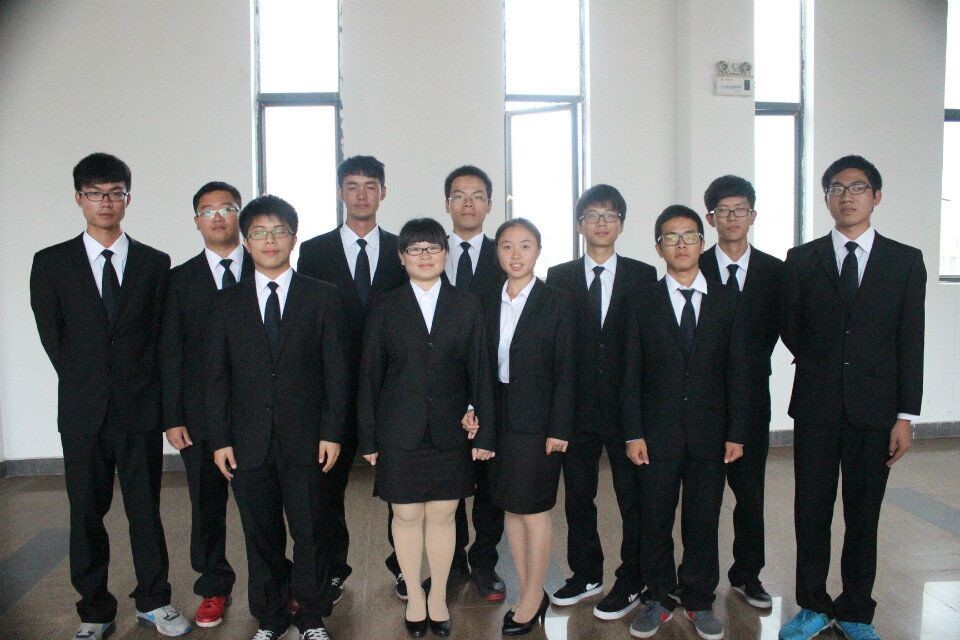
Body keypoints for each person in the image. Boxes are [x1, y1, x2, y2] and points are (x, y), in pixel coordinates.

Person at [30, 152, 190, 639]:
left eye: (115, 193)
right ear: (79, 199)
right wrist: (89, 385)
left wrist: (161, 405)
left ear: (128, 199)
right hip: (83, 412)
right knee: (85, 513)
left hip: (139, 410)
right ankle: (95, 611)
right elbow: (54, 338)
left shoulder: (153, 263)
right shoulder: (51, 263)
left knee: (146, 511)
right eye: (96, 194)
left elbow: (161, 341)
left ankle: (154, 601)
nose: (106, 202)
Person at [778, 156, 925, 640]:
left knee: (864, 515)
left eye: (858, 188)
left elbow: (911, 341)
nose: (847, 196)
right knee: (811, 511)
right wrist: (824, 363)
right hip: (816, 408)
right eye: (837, 188)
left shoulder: (905, 261)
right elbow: (792, 327)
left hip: (876, 412)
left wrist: (904, 416)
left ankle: (857, 611)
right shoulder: (802, 259)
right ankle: (812, 606)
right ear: (826, 198)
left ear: (876, 196)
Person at [208, 195, 348, 640]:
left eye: (279, 231)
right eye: (259, 233)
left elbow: (336, 372)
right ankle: (270, 615)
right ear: (246, 241)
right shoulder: (225, 303)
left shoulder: (322, 296)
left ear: (294, 237)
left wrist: (332, 431)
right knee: (260, 534)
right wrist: (220, 438)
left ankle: (311, 615)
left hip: (308, 440)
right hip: (247, 441)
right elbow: (216, 377)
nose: (270, 241)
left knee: (311, 531)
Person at [358, 217, 497, 638]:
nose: (424, 255)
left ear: (445, 254)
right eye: (414, 249)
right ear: (401, 258)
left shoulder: (466, 304)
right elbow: (369, 375)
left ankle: (437, 596)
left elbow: (480, 371)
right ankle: (414, 599)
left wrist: (483, 427)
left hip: (450, 430)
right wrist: (367, 437)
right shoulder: (384, 306)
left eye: (433, 248)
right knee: (404, 515)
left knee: (443, 514)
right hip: (398, 430)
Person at [622, 205, 747, 640]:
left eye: (689, 236)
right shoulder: (641, 302)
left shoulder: (727, 302)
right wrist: (633, 432)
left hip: (711, 436)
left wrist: (736, 432)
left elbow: (738, 372)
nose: (681, 244)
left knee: (703, 520)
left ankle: (698, 599)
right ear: (659, 248)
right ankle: (658, 597)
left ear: (702, 243)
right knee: (654, 519)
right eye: (670, 237)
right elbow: (630, 373)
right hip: (655, 436)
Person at [297, 155, 407, 604]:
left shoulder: (403, 248)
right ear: (340, 192)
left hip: (392, 389)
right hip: (333, 389)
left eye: (370, 185)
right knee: (326, 486)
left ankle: (404, 566)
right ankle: (332, 569)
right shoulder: (313, 251)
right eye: (353, 186)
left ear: (383, 191)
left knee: (401, 485)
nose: (362, 194)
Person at [546, 184, 656, 620]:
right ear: (580, 225)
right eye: (593, 215)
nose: (602, 223)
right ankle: (586, 573)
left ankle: (632, 577)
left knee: (633, 498)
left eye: (610, 215)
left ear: (621, 225)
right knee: (578, 497)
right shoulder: (559, 276)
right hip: (576, 409)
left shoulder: (643, 275)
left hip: (628, 408)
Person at [477, 218, 576, 635]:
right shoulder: (486, 300)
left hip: (539, 423)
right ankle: (527, 589)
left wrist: (560, 427)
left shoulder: (558, 302)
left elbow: (567, 370)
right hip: (498, 418)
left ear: (538, 251)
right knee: (510, 508)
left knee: (533, 510)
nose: (515, 255)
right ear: (497, 253)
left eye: (525, 245)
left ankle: (534, 595)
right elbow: (478, 364)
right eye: (506, 246)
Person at [160, 181, 251, 627]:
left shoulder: (266, 267)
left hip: (258, 412)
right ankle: (213, 585)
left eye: (227, 208)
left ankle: (278, 581)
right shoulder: (179, 280)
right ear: (196, 221)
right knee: (206, 505)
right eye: (207, 210)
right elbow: (170, 351)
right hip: (199, 417)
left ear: (240, 216)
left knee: (265, 505)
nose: (217, 216)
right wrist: (173, 415)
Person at [699, 175, 784, 609]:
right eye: (723, 211)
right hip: (703, 400)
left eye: (740, 210)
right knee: (704, 496)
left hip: (752, 398)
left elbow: (789, 328)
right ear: (710, 218)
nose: (732, 218)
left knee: (750, 494)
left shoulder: (775, 271)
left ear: (753, 215)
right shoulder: (694, 264)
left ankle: (748, 574)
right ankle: (698, 579)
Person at [439, 164, 507, 601]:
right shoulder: (427, 251)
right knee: (447, 481)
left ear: (489, 204)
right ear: (447, 204)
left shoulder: (505, 254)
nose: (468, 203)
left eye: (477, 195)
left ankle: (485, 561)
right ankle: (451, 562)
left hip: (492, 387)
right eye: (459, 196)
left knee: (489, 481)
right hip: (441, 390)